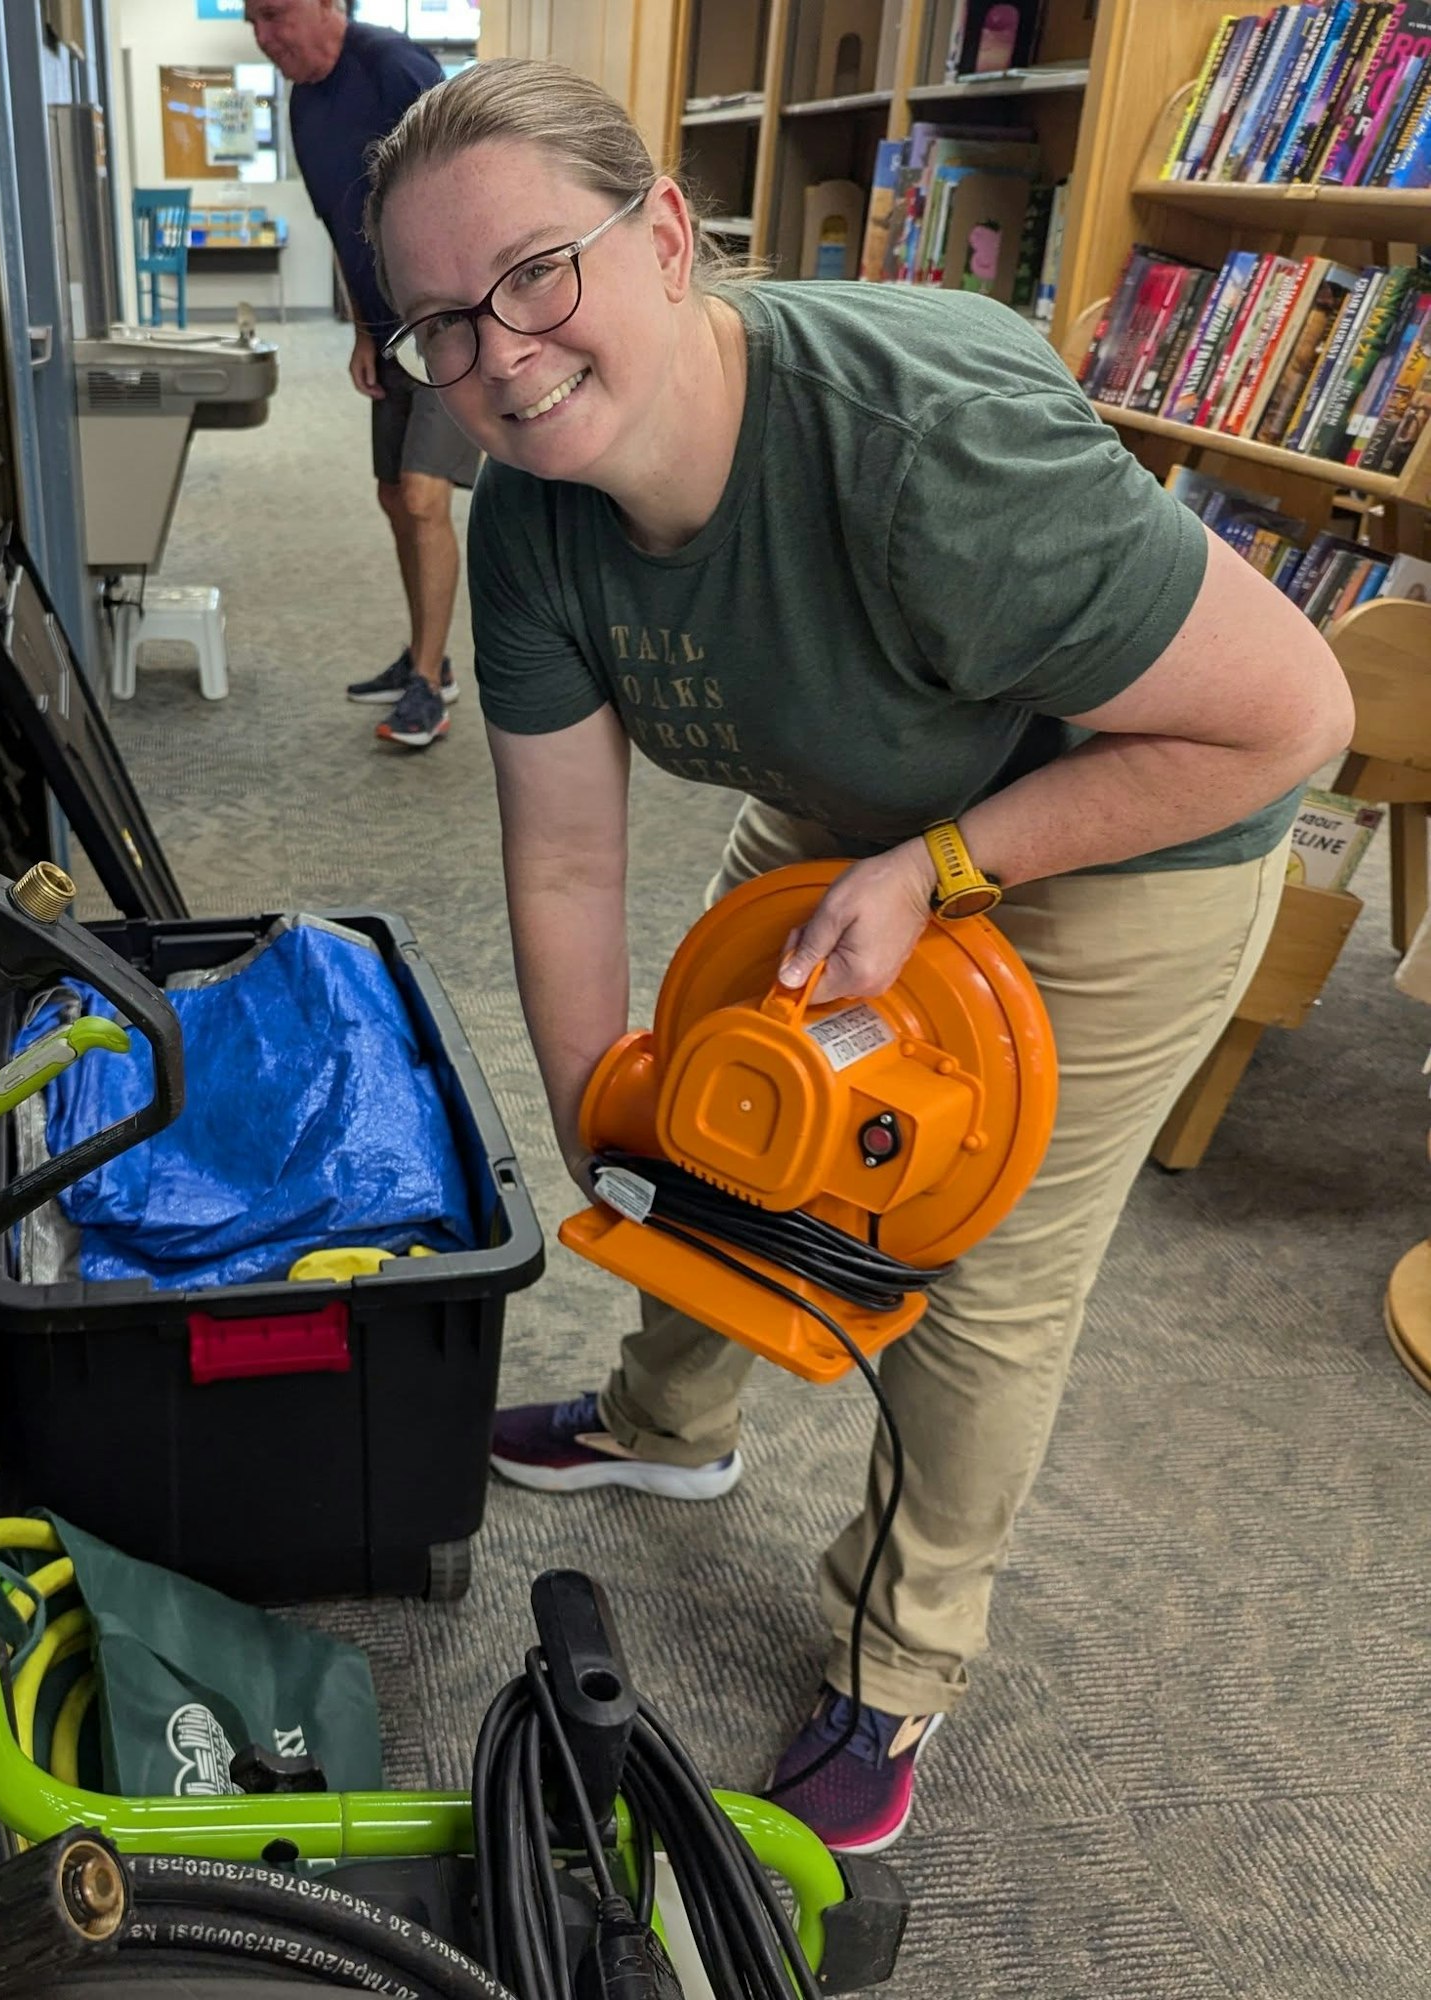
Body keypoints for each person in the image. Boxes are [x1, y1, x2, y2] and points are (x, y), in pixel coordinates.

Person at [363, 61, 1353, 1853]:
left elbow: (1291, 717)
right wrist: (603, 1115)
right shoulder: (528, 522)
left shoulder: (924, 454)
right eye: (438, 320)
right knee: (708, 1091)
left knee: (968, 1270)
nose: (495, 353)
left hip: (1123, 828)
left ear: (665, 236)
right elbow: (567, 855)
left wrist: (946, 867)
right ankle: (668, 1420)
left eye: (532, 272)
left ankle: (898, 1666)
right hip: (853, 800)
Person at [245, 0, 481, 750]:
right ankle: (427, 656)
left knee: (422, 498)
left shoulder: (396, 69)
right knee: (392, 497)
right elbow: (338, 227)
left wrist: (458, 320)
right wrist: (361, 330)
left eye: (274, 15)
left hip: (450, 326)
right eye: (252, 23)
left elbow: (470, 192)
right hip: (388, 330)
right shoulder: (303, 105)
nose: (263, 37)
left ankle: (428, 689)